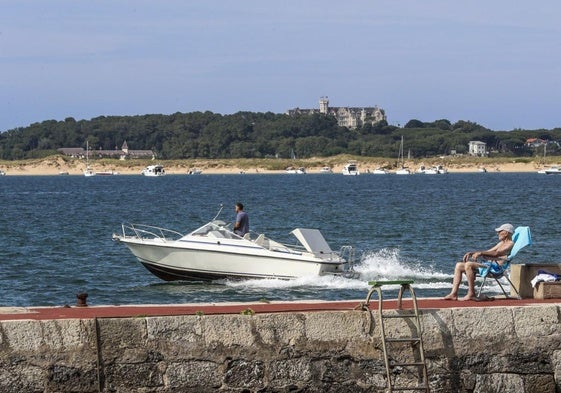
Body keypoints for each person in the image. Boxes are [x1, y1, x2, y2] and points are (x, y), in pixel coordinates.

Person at [443, 223, 515, 301]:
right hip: (489, 265)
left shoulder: (510, 244)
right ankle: (453, 294)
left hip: (496, 268)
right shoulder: (501, 243)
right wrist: (472, 253)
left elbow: (496, 253)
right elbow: (488, 251)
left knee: (468, 265)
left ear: (506, 233)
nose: (498, 233)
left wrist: (481, 253)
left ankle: (471, 293)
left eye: (500, 231)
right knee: (459, 265)